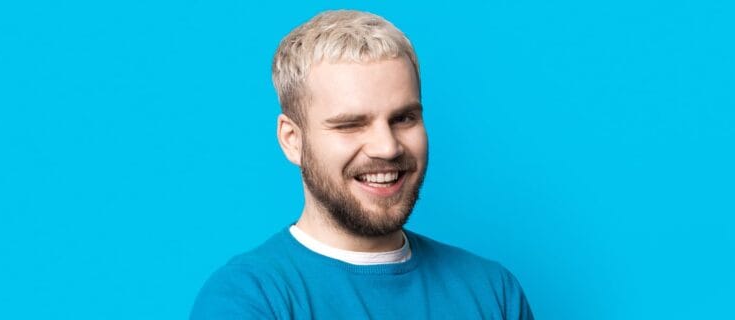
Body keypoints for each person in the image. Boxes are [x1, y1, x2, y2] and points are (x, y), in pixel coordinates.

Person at [190, 10, 534, 319]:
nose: (386, 147)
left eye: (403, 118)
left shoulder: (492, 292)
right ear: (292, 140)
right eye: (350, 124)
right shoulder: (250, 300)